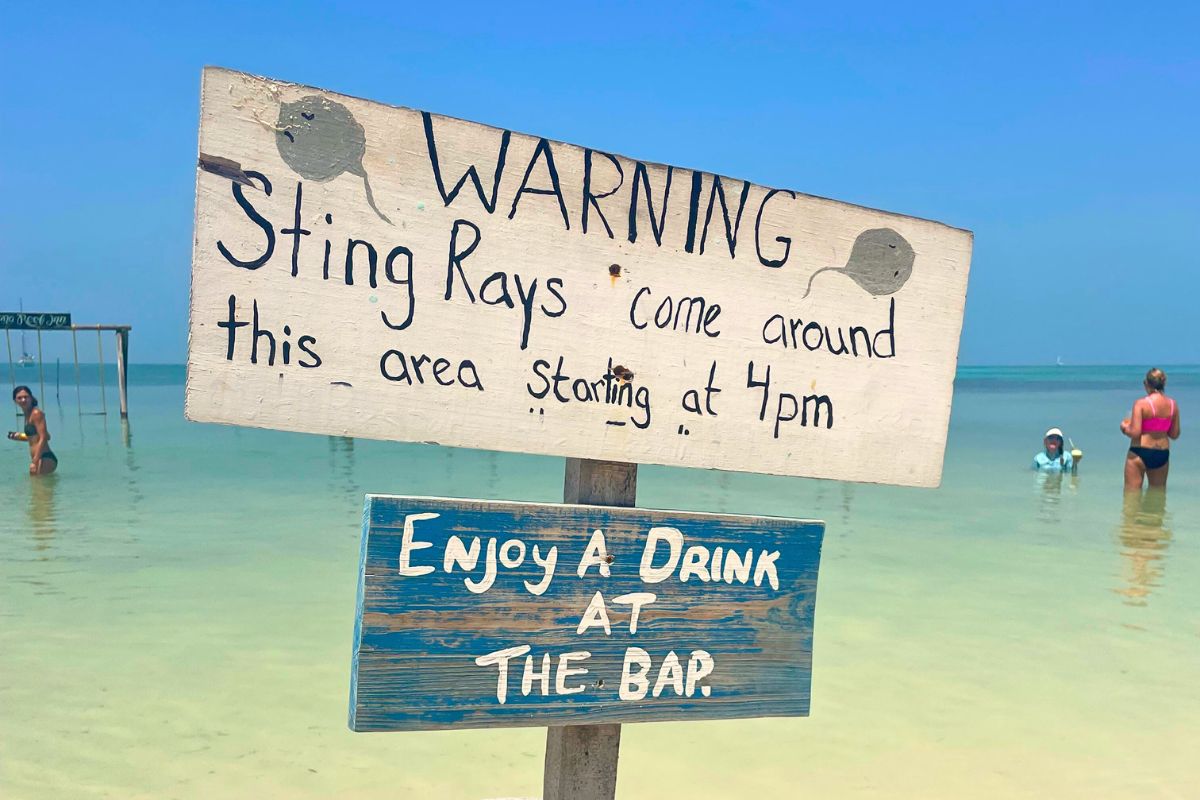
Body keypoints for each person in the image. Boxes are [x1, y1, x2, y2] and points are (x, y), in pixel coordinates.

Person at [1121, 368, 1181, 490]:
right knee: (1158, 498)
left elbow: (1135, 432)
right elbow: (1174, 434)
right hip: (1161, 453)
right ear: (1163, 383)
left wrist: (1124, 428)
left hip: (1140, 451)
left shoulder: (1141, 404)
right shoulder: (1172, 405)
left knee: (1131, 499)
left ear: (1147, 383)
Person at [7, 385, 57, 476]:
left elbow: (44, 437)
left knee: (39, 488)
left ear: (31, 398)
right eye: (19, 398)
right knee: (36, 488)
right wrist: (20, 436)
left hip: (44, 457)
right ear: (15, 401)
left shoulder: (36, 413)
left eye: (26, 397)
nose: (23, 400)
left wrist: (35, 461)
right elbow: (47, 436)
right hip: (39, 458)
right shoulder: (27, 414)